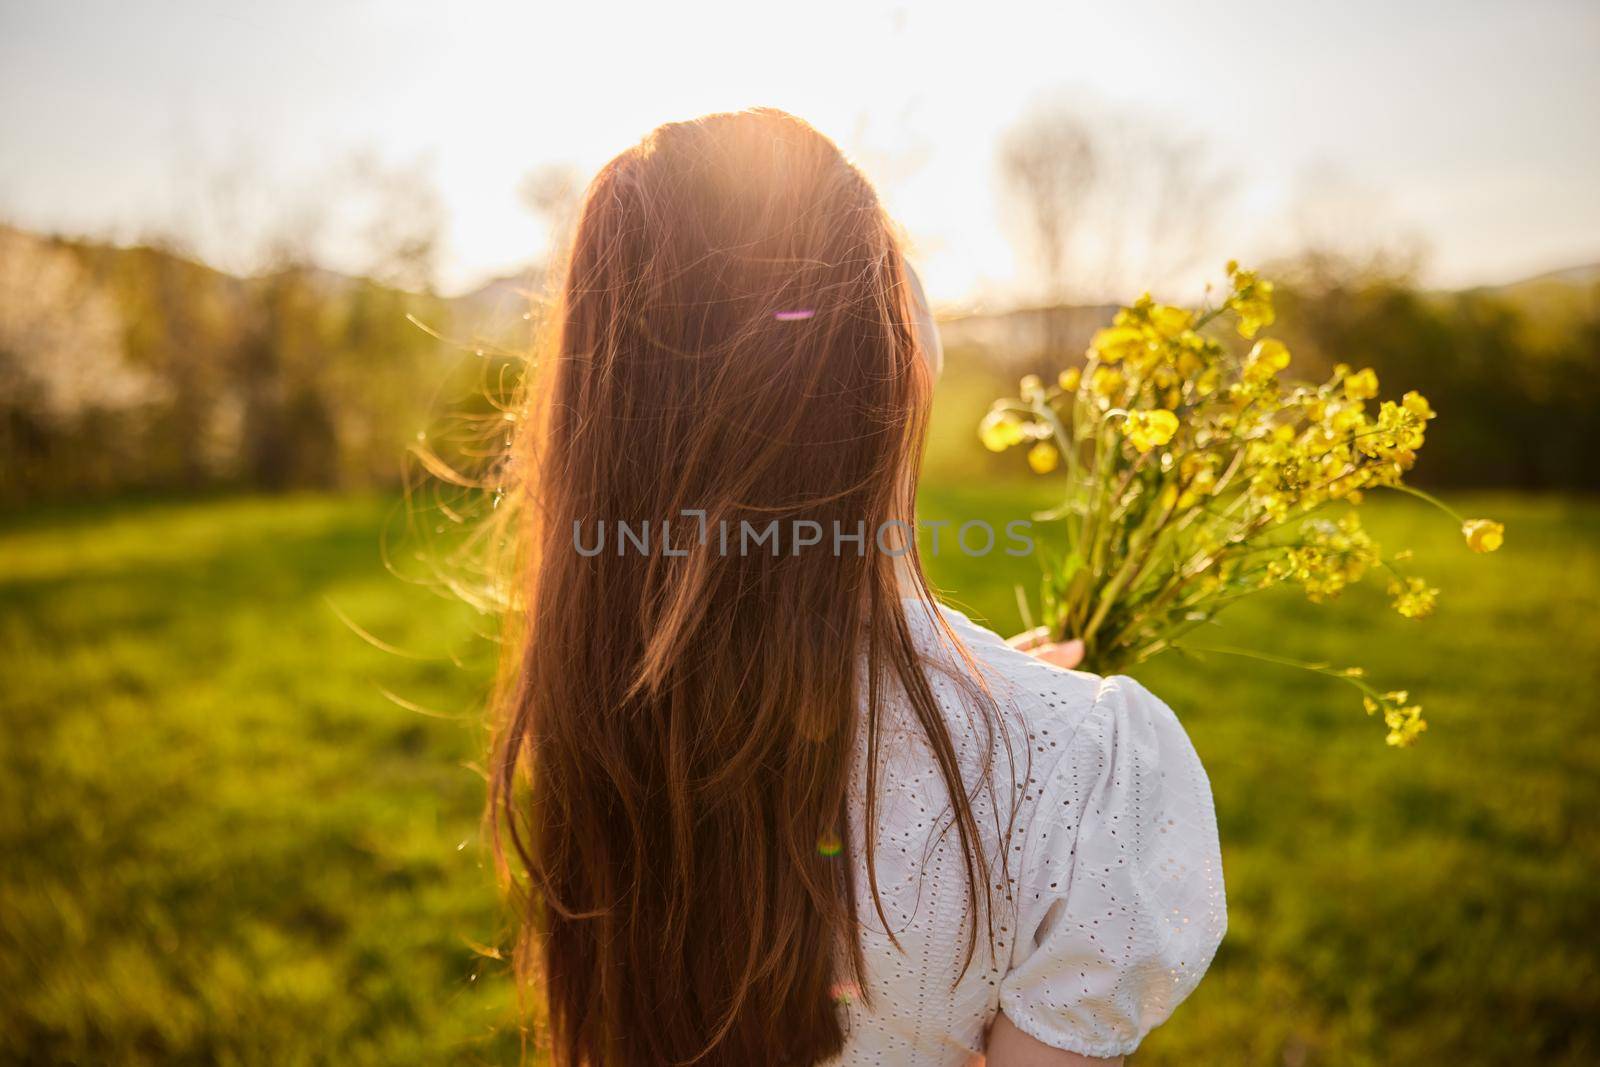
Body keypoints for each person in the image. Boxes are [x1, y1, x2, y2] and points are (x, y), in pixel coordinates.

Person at [489, 108, 1224, 1067]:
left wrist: (996, 704)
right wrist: (1032, 738)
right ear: (901, 367)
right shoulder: (1092, 776)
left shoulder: (606, 699)